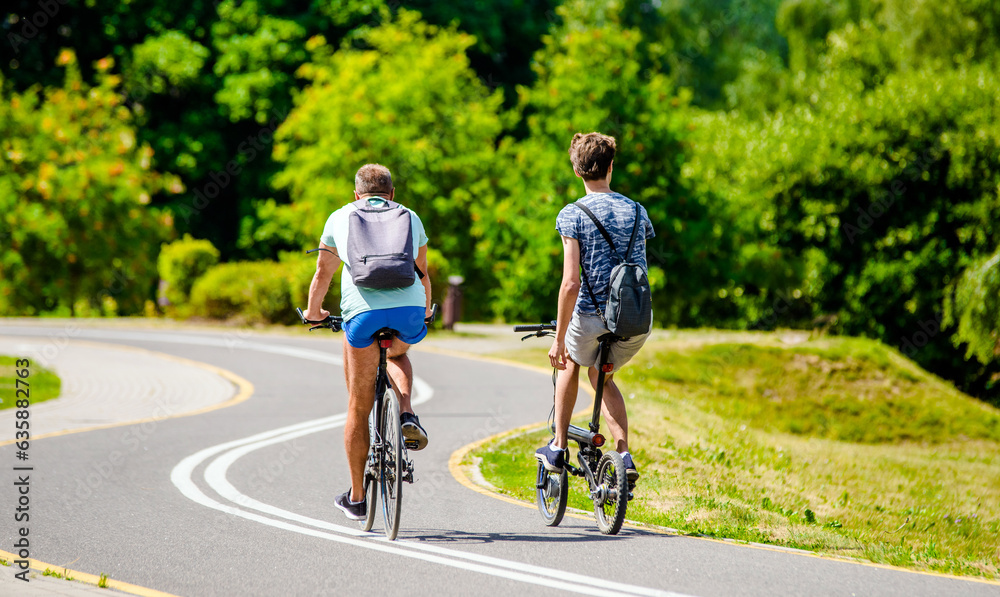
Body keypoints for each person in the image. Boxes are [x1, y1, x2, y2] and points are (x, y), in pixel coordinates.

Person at [303, 163, 432, 521]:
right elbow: (422, 271)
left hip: (362, 316)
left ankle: (358, 498)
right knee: (398, 355)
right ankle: (406, 410)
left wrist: (314, 312)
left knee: (359, 406)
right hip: (408, 310)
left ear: (356, 195)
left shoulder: (339, 217)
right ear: (391, 193)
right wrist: (421, 314)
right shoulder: (410, 216)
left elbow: (323, 272)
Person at [535, 132, 654, 482]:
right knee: (602, 373)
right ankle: (624, 455)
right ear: (611, 167)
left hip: (591, 317)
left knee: (571, 360)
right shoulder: (637, 210)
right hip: (636, 318)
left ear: (576, 170)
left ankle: (557, 447)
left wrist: (558, 338)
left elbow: (571, 282)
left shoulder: (572, 214)